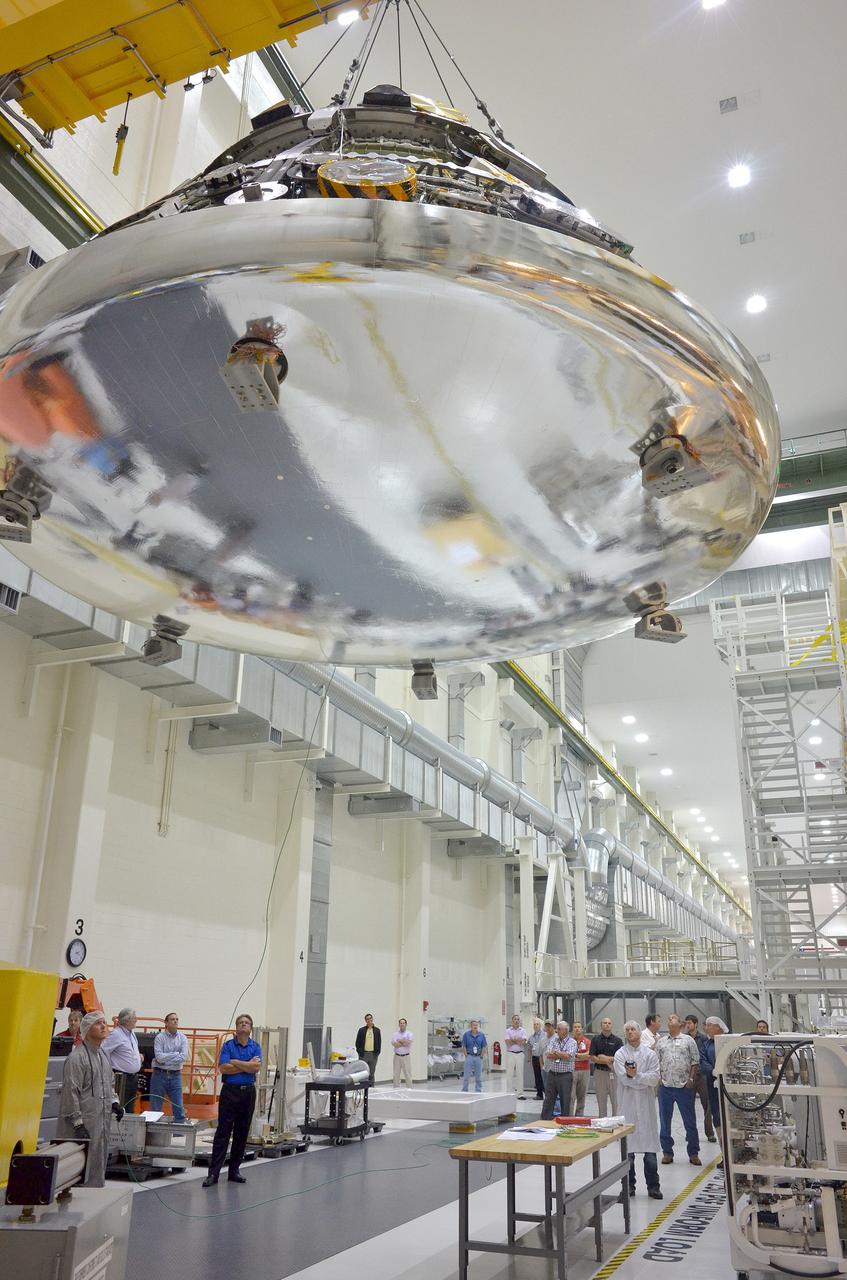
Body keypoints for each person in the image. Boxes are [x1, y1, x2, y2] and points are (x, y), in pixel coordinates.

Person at [56, 1010, 123, 1187]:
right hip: (82, 1124)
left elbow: (109, 1083)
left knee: (98, 1158)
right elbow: (71, 1092)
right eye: (98, 1023)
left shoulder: (103, 1056)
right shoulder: (77, 1058)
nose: (103, 1026)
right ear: (87, 1029)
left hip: (101, 1119)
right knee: (78, 1164)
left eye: (104, 1022)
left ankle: (95, 1193)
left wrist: (114, 1102)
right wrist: (78, 1123)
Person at [203, 1014, 261, 1187]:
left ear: (250, 1028)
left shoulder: (255, 1046)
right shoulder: (228, 1045)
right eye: (241, 1023)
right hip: (230, 1093)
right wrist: (245, 1065)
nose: (244, 1025)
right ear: (236, 1027)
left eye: (247, 1023)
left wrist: (235, 1063)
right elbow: (223, 1068)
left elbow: (256, 1068)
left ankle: (234, 1171)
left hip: (248, 1093)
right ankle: (213, 1174)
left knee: (242, 1133)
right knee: (223, 1132)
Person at [614, 1021, 662, 1199]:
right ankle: (628, 1186)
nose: (629, 1032)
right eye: (626, 1029)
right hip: (627, 1105)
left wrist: (637, 1075)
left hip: (646, 1105)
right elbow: (624, 1079)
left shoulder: (650, 1054)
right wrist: (639, 1079)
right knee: (628, 1150)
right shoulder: (620, 1054)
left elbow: (655, 1078)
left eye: (632, 1029)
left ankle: (653, 1186)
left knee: (650, 1152)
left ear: (639, 1032)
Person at [656, 1013, 701, 1166]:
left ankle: (693, 1153)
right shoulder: (661, 1042)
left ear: (680, 1024)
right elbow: (657, 1062)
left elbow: (695, 1061)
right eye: (668, 1019)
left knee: (689, 1121)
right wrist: (659, 1080)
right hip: (666, 1087)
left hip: (684, 1087)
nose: (670, 1019)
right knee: (664, 1121)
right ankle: (667, 1152)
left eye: (673, 1018)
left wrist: (691, 1079)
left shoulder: (688, 1041)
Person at [683, 1014, 717, 1143]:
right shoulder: (684, 1039)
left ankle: (710, 1133)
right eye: (686, 1023)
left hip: (702, 1076)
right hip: (688, 1076)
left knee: (707, 1106)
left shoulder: (703, 1039)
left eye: (690, 1023)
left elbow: (705, 1056)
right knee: (688, 1107)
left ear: (695, 1024)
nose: (687, 1025)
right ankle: (691, 1134)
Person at [150, 1012, 189, 1122]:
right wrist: (175, 1054)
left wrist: (166, 1058)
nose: (175, 1021)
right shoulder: (159, 1038)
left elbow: (183, 1057)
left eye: (177, 1019)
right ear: (166, 1023)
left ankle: (179, 1135)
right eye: (172, 1019)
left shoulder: (183, 1038)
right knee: (155, 1106)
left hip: (175, 1075)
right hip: (159, 1074)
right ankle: (154, 1136)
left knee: (179, 1107)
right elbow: (159, 1057)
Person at [102, 1007, 142, 1106]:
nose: (136, 1020)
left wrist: (137, 1056)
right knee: (120, 1106)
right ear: (127, 1021)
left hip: (133, 1078)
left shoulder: (131, 1033)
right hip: (121, 1078)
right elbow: (102, 1051)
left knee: (130, 1107)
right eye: (134, 1018)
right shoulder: (116, 1034)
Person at [541, 1021, 577, 1120]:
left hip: (565, 1076)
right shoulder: (554, 1040)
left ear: (566, 1030)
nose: (557, 1030)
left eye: (559, 1029)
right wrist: (561, 1054)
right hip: (552, 1074)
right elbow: (548, 1053)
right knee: (548, 1099)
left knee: (565, 1100)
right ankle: (545, 1120)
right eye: (557, 1028)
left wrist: (556, 1053)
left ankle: (564, 1121)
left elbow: (568, 1056)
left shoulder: (572, 1042)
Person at [701, 1016, 728, 1139]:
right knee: (716, 1115)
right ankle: (724, 1150)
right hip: (712, 1085)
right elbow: (702, 1060)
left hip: (729, 1085)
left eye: (708, 1025)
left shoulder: (729, 1041)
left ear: (717, 1027)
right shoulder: (706, 1044)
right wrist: (712, 1071)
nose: (706, 1028)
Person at [590, 1017, 623, 1116]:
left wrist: (603, 1058)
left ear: (611, 1025)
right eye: (605, 1023)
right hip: (600, 1073)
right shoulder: (595, 1039)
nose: (607, 1024)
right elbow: (592, 1057)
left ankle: (616, 1123)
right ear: (601, 1025)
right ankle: (602, 1123)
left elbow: (619, 1058)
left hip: (613, 1072)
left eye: (609, 1023)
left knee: (616, 1101)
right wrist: (607, 1061)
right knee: (601, 1101)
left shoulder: (618, 1041)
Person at [504, 1014, 528, 1100]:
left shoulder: (523, 1030)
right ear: (512, 1021)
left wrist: (513, 1040)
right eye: (515, 1019)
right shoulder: (507, 1031)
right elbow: (507, 1042)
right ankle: (509, 1093)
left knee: (520, 1074)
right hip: (510, 1053)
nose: (516, 1021)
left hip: (520, 1054)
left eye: (518, 1019)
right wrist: (517, 1040)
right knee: (509, 1074)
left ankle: (520, 1094)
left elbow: (523, 1041)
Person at [571, 1021, 592, 1116]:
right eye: (575, 1027)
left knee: (581, 1097)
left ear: (582, 1029)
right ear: (572, 1030)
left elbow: (589, 1055)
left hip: (584, 1071)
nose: (577, 1028)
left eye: (579, 1027)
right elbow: (567, 1055)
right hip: (572, 1071)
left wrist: (575, 1055)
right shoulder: (569, 1042)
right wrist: (581, 1056)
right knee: (571, 1097)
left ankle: (579, 1117)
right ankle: (569, 1118)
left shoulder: (587, 1041)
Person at [355, 1014, 382, 1086]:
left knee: (372, 1073)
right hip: (364, 1054)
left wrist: (377, 1053)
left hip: (373, 1055)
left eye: (370, 1018)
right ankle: (363, 1088)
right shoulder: (361, 1030)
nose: (369, 1020)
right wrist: (360, 1053)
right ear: (365, 1020)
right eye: (367, 1019)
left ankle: (371, 1087)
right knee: (363, 1072)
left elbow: (379, 1042)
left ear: (372, 1019)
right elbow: (357, 1043)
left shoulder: (377, 1030)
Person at [461, 1020, 487, 1093]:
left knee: (478, 1076)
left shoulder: (481, 1035)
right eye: (474, 1025)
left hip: (478, 1057)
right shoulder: (466, 1035)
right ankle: (464, 1090)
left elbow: (484, 1046)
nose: (475, 1026)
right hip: (469, 1056)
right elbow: (464, 1046)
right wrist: (466, 1055)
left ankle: (478, 1090)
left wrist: (481, 1056)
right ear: (471, 1026)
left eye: (476, 1025)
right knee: (466, 1076)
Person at [527, 1017, 547, 1100]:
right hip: (535, 1058)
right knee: (537, 1076)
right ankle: (539, 1094)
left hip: (543, 1058)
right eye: (534, 1024)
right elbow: (529, 1048)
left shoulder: (545, 1035)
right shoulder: (531, 1037)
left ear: (540, 1026)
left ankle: (548, 1094)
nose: (535, 1026)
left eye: (537, 1024)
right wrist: (529, 1059)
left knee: (545, 1076)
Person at [391, 1017, 413, 1086]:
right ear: (399, 1025)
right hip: (397, 1056)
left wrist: (399, 1041)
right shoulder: (395, 1034)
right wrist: (404, 1041)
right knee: (396, 1074)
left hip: (406, 1056)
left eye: (403, 1023)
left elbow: (408, 1043)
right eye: (400, 1023)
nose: (402, 1024)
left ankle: (409, 1089)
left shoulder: (409, 1034)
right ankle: (396, 1089)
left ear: (406, 1024)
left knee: (407, 1073)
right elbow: (395, 1044)